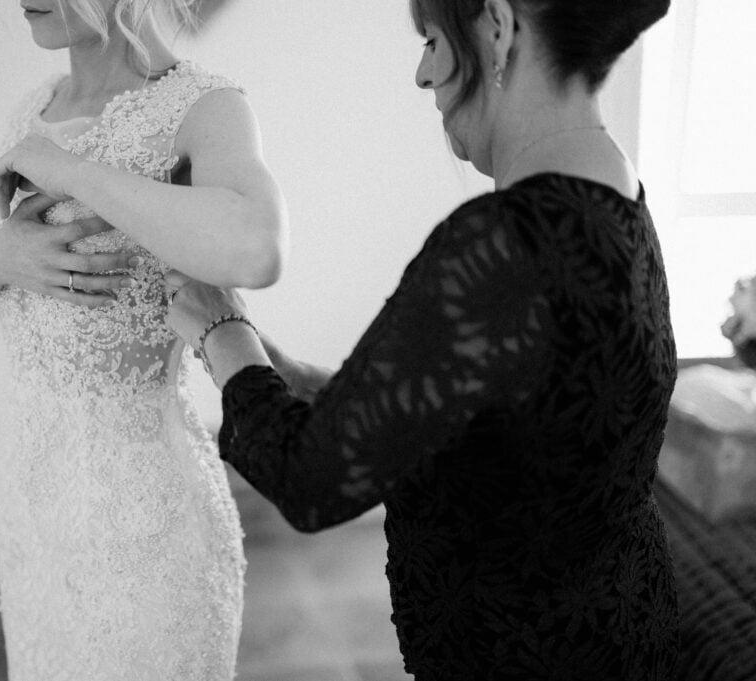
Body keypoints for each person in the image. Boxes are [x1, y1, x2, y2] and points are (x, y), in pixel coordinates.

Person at [164, 0, 679, 678]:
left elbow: (310, 482)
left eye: (432, 40)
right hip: (625, 631)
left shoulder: (505, 242)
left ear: (497, 27)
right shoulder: (617, 196)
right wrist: (328, 390)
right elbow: (536, 424)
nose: (423, 73)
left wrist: (219, 326)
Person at [0, 1, 286, 678]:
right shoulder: (32, 113)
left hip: (150, 531)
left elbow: (257, 249)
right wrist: (3, 257)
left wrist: (70, 172)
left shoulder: (205, 109)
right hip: (37, 528)